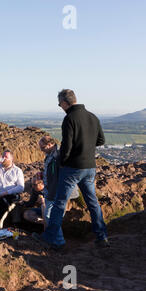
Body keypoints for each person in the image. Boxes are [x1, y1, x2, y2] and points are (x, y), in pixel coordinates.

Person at [35, 89, 109, 250]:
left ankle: (51, 238)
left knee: (59, 203)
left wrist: (63, 162)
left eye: (60, 103)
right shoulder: (93, 117)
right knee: (92, 202)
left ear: (65, 102)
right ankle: (102, 237)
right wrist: (86, 148)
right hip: (90, 167)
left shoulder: (69, 118)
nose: (60, 106)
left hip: (72, 169)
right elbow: (101, 139)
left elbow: (66, 146)